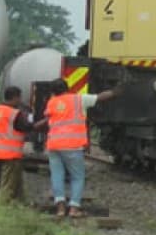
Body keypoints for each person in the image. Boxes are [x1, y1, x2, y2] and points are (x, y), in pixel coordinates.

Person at [34, 79, 116, 218]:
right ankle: (73, 209)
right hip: (72, 145)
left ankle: (60, 209)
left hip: (54, 145)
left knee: (57, 175)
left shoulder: (52, 102)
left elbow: (49, 119)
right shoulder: (78, 99)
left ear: (53, 92)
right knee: (77, 177)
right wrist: (116, 91)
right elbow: (100, 97)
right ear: (67, 88)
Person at [0, 86, 35, 204]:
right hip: (11, 153)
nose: (20, 100)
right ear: (15, 97)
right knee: (8, 182)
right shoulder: (14, 113)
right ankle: (0, 205)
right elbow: (26, 127)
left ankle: (20, 203)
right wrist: (40, 122)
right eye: (19, 98)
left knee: (16, 180)